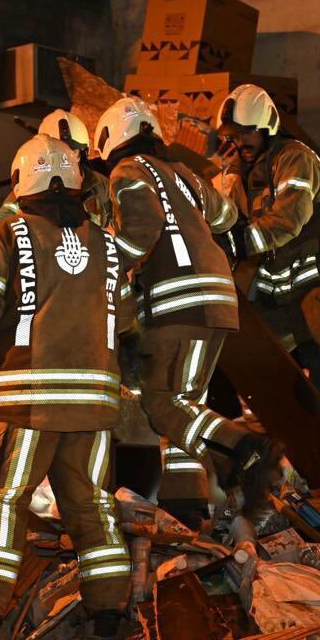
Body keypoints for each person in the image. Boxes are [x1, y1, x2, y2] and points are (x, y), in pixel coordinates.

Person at [0, 134, 136, 638]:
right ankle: (110, 609)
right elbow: (127, 320)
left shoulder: (6, 236)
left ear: (19, 182)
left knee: (5, 500)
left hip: (27, 401)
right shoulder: (108, 244)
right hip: (95, 404)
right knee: (92, 503)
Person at [98, 96, 281, 529]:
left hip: (179, 301)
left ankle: (244, 449)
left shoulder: (126, 173)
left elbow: (141, 231)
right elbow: (225, 216)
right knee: (186, 406)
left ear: (111, 142)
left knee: (161, 403)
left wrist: (103, 262)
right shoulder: (184, 174)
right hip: (217, 297)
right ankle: (187, 504)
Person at [215, 83, 320, 453]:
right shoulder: (239, 177)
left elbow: (289, 218)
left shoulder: (296, 157)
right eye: (234, 136)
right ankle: (293, 444)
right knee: (254, 353)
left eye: (246, 133)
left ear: (267, 126)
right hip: (284, 289)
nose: (240, 142)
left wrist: (241, 243)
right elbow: (233, 233)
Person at [0, 109, 112, 229]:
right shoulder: (31, 184)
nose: (67, 159)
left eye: (72, 152)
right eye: (59, 153)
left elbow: (119, 222)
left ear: (83, 153)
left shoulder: (101, 184)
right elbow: (0, 221)